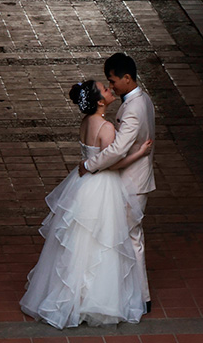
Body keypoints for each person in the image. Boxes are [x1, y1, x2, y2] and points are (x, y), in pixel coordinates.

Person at [20, 79, 153, 328]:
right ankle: (96, 300)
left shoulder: (86, 123)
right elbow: (111, 163)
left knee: (80, 241)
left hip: (82, 187)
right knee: (104, 242)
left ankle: (73, 296)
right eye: (105, 89)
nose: (109, 90)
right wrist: (139, 153)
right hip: (103, 186)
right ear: (100, 101)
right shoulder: (106, 128)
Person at [79, 52, 155, 313]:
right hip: (121, 179)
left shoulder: (133, 108)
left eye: (112, 81)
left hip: (132, 181)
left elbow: (117, 150)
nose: (110, 86)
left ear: (126, 78)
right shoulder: (139, 99)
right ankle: (130, 293)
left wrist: (89, 165)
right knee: (123, 237)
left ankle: (140, 297)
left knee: (130, 237)